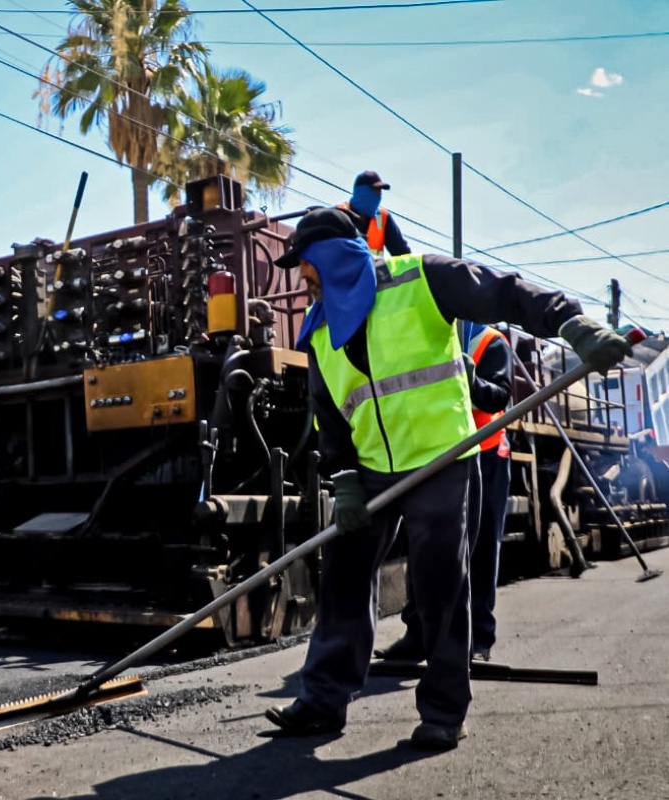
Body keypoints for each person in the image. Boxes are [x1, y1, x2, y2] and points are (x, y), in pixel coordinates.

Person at [264, 207, 630, 750]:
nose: (302, 279)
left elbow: (505, 293)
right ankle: (322, 700)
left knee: (439, 583)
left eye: (306, 266)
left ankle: (442, 709)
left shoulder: (421, 279)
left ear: (332, 256)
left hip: (441, 456)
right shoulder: (317, 328)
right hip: (369, 468)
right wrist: (342, 479)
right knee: (342, 577)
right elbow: (329, 414)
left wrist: (572, 324)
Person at [375, 321, 514, 665]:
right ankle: (417, 635)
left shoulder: (489, 341)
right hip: (438, 453)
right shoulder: (427, 334)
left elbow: (500, 395)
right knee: (423, 546)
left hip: (485, 452)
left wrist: (473, 380)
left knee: (479, 549)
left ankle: (478, 638)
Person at [338, 170, 411, 257]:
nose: (378, 195)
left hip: (373, 270)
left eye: (380, 191)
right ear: (361, 191)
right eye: (375, 190)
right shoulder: (338, 214)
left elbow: (402, 254)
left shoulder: (383, 217)